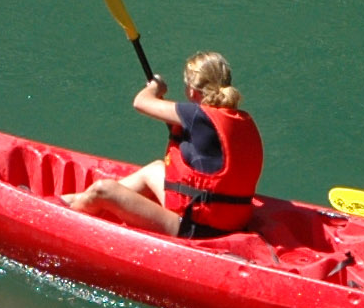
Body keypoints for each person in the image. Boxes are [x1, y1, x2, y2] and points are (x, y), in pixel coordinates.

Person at [63, 52, 266, 237]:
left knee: (103, 190)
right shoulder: (242, 120)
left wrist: (155, 87)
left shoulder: (196, 116)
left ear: (192, 91)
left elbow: (141, 102)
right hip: (232, 222)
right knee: (155, 169)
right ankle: (75, 199)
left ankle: (65, 218)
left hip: (197, 229)